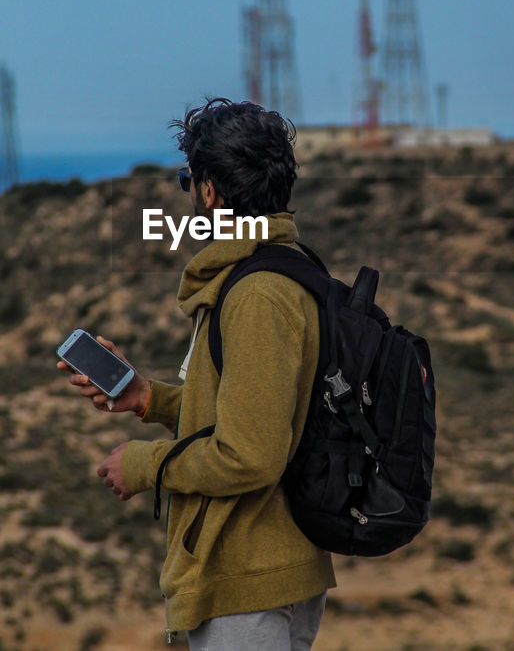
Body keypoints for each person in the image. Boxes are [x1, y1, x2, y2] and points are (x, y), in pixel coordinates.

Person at [58, 97, 334, 649]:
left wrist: (144, 465)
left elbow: (249, 452)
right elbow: (256, 413)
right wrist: (145, 398)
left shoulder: (257, 294)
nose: (188, 194)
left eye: (189, 180)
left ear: (210, 192)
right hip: (263, 570)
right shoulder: (275, 272)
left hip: (247, 580)